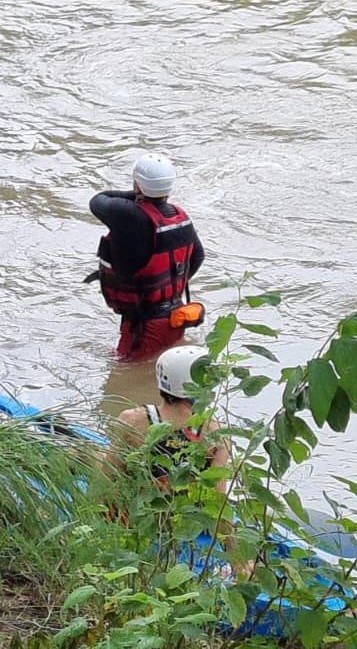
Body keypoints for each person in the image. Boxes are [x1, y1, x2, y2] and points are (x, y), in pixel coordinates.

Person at [87, 152, 205, 361]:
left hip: (144, 327)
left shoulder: (130, 216)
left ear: (138, 185)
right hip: (175, 318)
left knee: (124, 383)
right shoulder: (181, 217)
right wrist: (165, 290)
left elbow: (98, 201)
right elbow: (198, 257)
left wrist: (138, 193)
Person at [114, 345, 230, 495]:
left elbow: (108, 477)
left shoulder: (131, 420)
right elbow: (218, 495)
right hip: (186, 514)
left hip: (140, 510)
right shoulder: (218, 432)